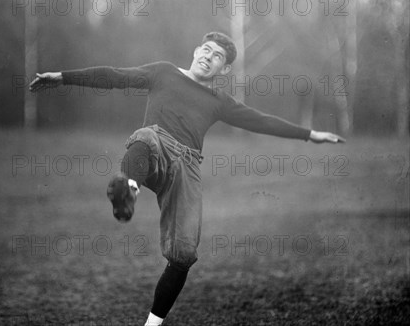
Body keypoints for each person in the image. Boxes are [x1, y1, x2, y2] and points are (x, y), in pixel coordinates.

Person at [29, 32, 345, 326]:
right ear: (196, 52)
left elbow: (259, 121)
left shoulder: (219, 100)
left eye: (218, 56)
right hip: (156, 146)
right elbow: (114, 75)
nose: (209, 57)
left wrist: (310, 135)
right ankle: (128, 188)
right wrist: (63, 77)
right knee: (146, 137)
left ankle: (152, 324)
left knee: (183, 255)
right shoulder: (164, 72)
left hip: (188, 167)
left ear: (224, 68)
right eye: (206, 50)